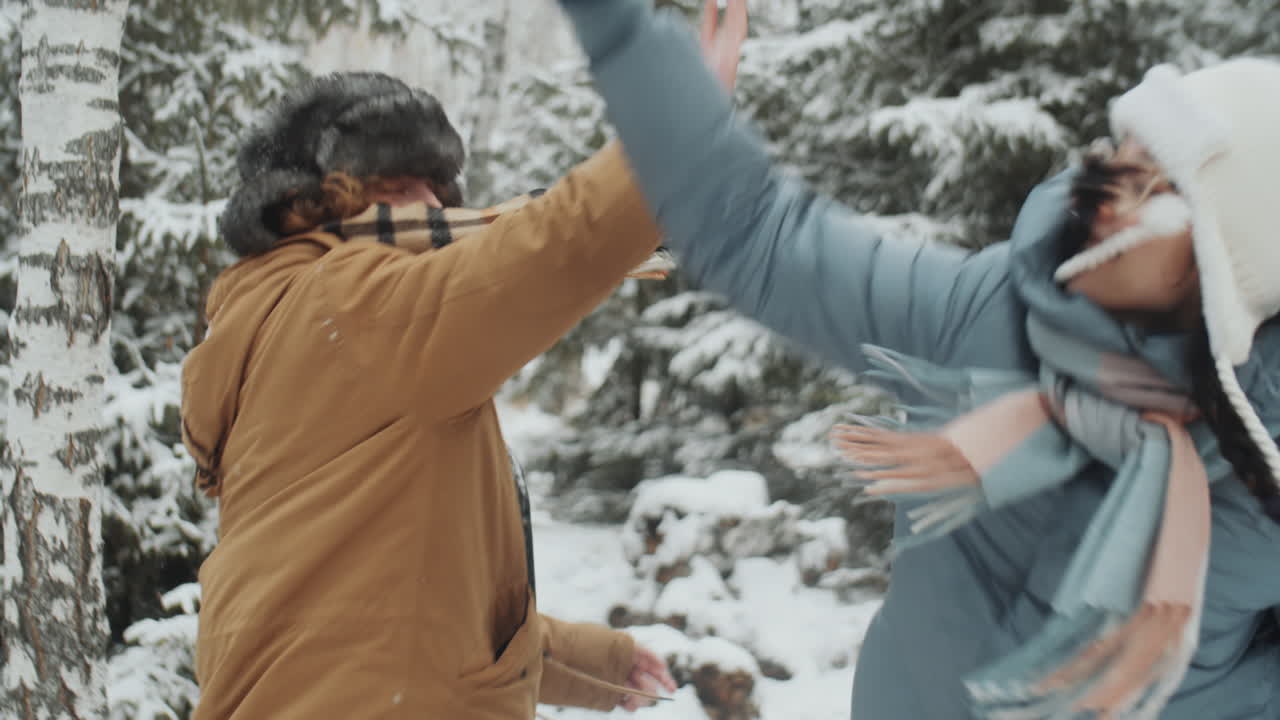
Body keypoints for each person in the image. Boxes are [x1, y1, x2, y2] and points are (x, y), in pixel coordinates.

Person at [551, 0, 1280, 718]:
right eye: (1124, 153)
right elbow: (758, 237)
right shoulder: (988, 312)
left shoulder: (1264, 476)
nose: (1107, 198)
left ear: (1223, 268)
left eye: (1154, 188)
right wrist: (626, 34)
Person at [180, 72, 683, 719]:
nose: (428, 202)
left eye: (435, 186)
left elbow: (377, 614)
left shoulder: (279, 325)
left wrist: (594, 662)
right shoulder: (352, 304)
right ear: (312, 204)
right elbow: (549, 248)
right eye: (394, 185)